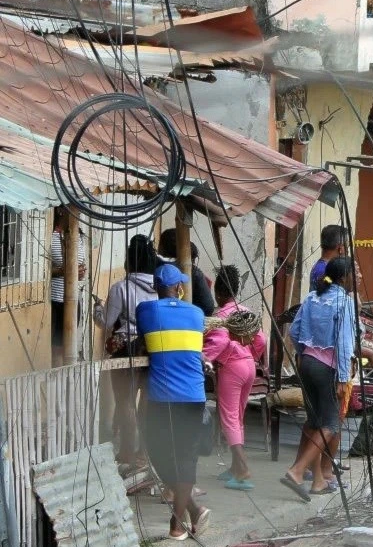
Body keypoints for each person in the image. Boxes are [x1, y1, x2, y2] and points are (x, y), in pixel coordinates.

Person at [137, 264, 211, 540]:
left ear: (155, 287)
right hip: (193, 396)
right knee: (183, 456)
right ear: (179, 287)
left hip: (163, 397)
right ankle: (192, 508)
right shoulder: (196, 313)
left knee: (160, 452)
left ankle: (177, 522)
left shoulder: (146, 310)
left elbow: (146, 339)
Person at [280, 257, 358, 501]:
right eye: (354, 273)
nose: (357, 278)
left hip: (308, 365)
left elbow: (294, 331)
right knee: (331, 424)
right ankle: (296, 471)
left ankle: (318, 482)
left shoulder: (313, 297)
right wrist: (343, 379)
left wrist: (304, 354)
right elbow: (344, 345)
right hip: (329, 368)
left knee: (314, 422)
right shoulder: (344, 303)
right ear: (344, 278)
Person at [204, 265, 266, 491]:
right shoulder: (245, 311)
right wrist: (251, 355)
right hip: (249, 365)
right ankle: (233, 467)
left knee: (229, 417)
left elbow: (219, 342)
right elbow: (261, 340)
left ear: (218, 293)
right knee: (237, 417)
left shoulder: (220, 316)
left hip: (231, 367)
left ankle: (242, 469)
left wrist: (205, 359)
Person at [101, 234, 159, 469]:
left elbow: (107, 322)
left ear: (129, 259)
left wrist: (97, 309)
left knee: (125, 401)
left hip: (126, 348)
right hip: (153, 347)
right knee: (146, 402)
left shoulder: (120, 288)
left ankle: (126, 451)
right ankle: (144, 453)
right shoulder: (160, 287)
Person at [50, 207, 86, 359]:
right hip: (56, 298)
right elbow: (45, 271)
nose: (76, 216)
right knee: (57, 346)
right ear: (60, 212)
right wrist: (66, 271)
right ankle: (56, 377)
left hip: (74, 297)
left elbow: (82, 264)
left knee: (69, 344)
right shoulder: (51, 236)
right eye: (73, 212)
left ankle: (67, 380)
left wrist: (80, 271)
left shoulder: (79, 236)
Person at [158, 229, 216, 316]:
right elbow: (208, 307)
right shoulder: (194, 272)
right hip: (189, 321)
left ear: (162, 247)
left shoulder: (154, 267)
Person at [309, 225, 347, 292]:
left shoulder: (322, 266)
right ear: (340, 248)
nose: (347, 250)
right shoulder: (324, 270)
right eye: (346, 246)